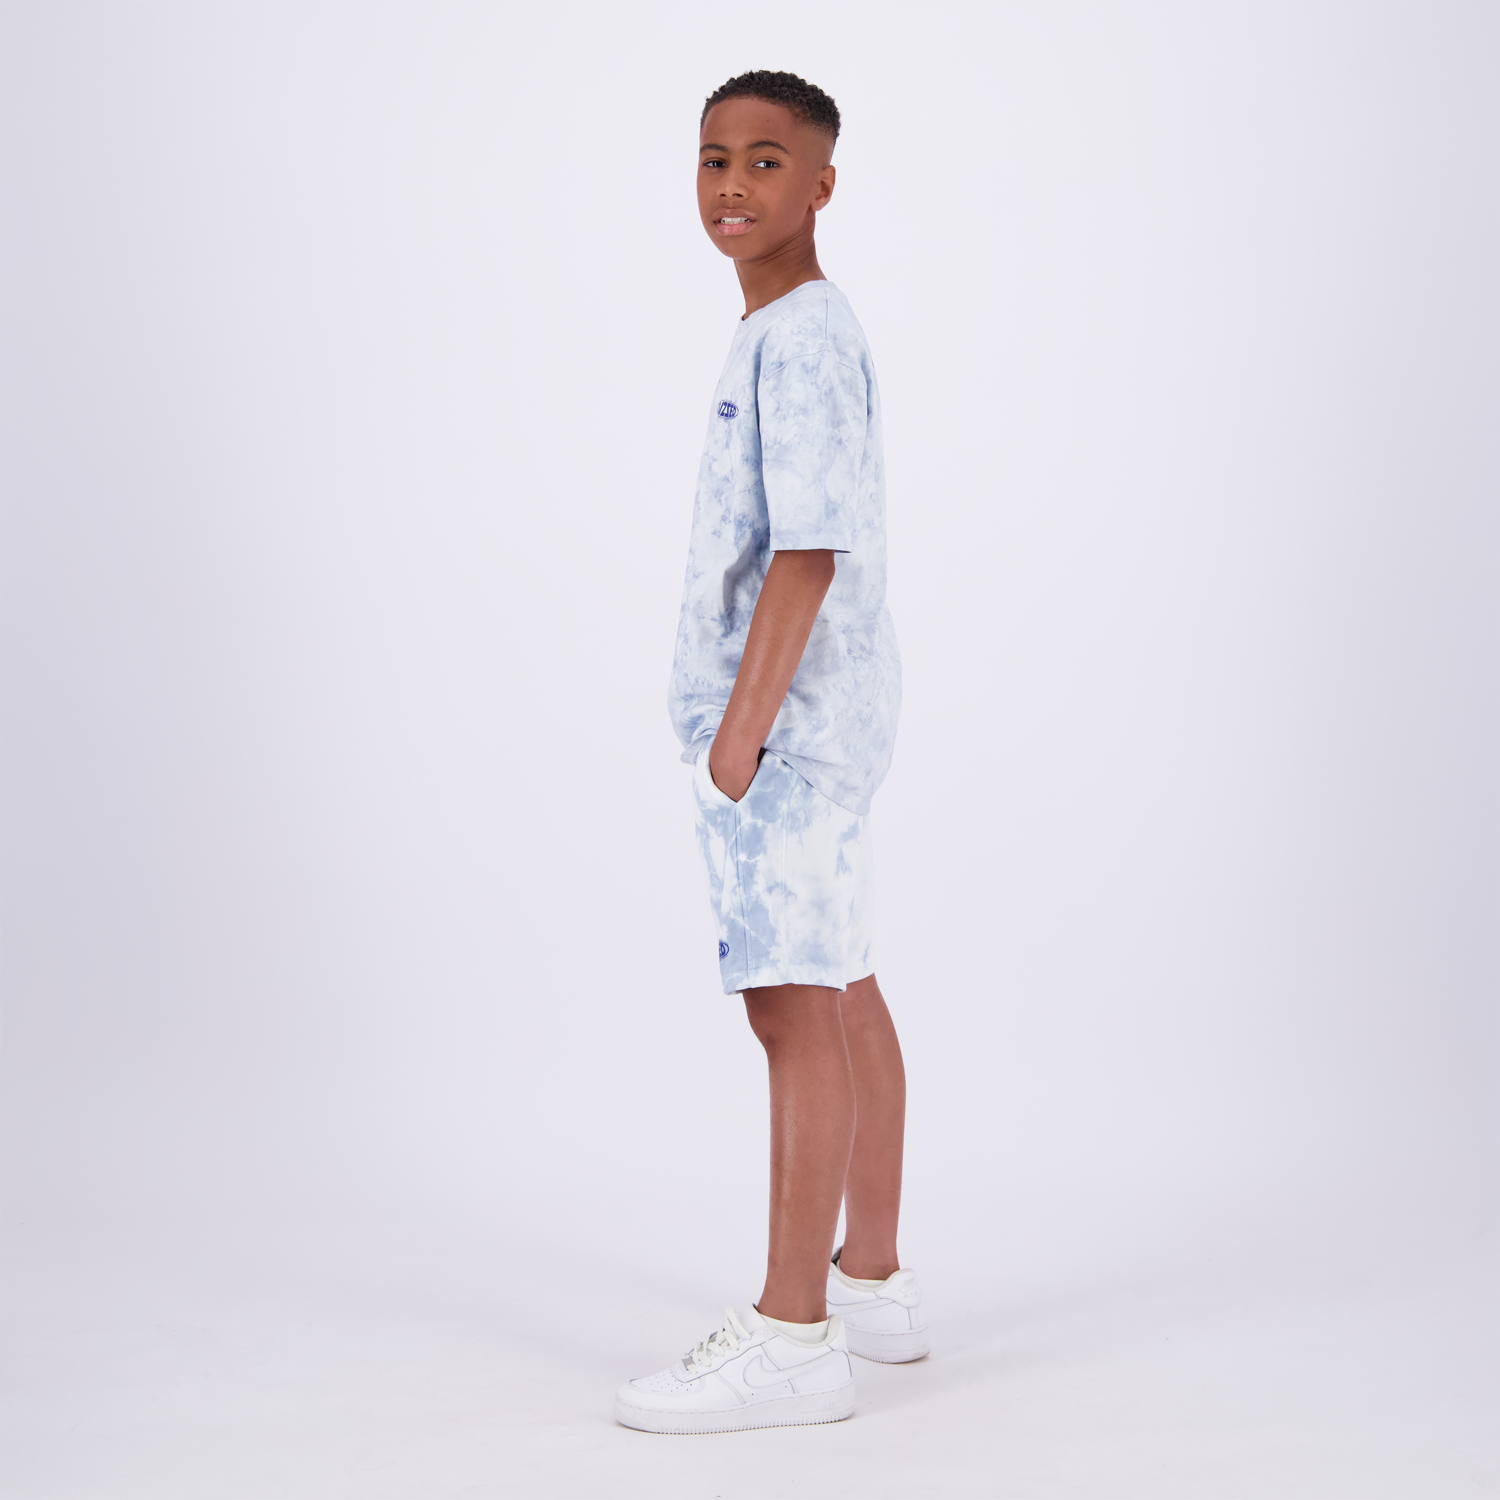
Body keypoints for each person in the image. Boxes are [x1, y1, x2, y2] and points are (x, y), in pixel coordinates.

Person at [613, 71, 926, 1436]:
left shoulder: (798, 338)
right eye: (713, 159)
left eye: (766, 160)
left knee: (791, 1005)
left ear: (822, 185)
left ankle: (794, 1337)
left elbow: (807, 549)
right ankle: (872, 1284)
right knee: (843, 982)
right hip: (820, 723)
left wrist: (737, 738)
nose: (733, 184)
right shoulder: (788, 329)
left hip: (788, 732)